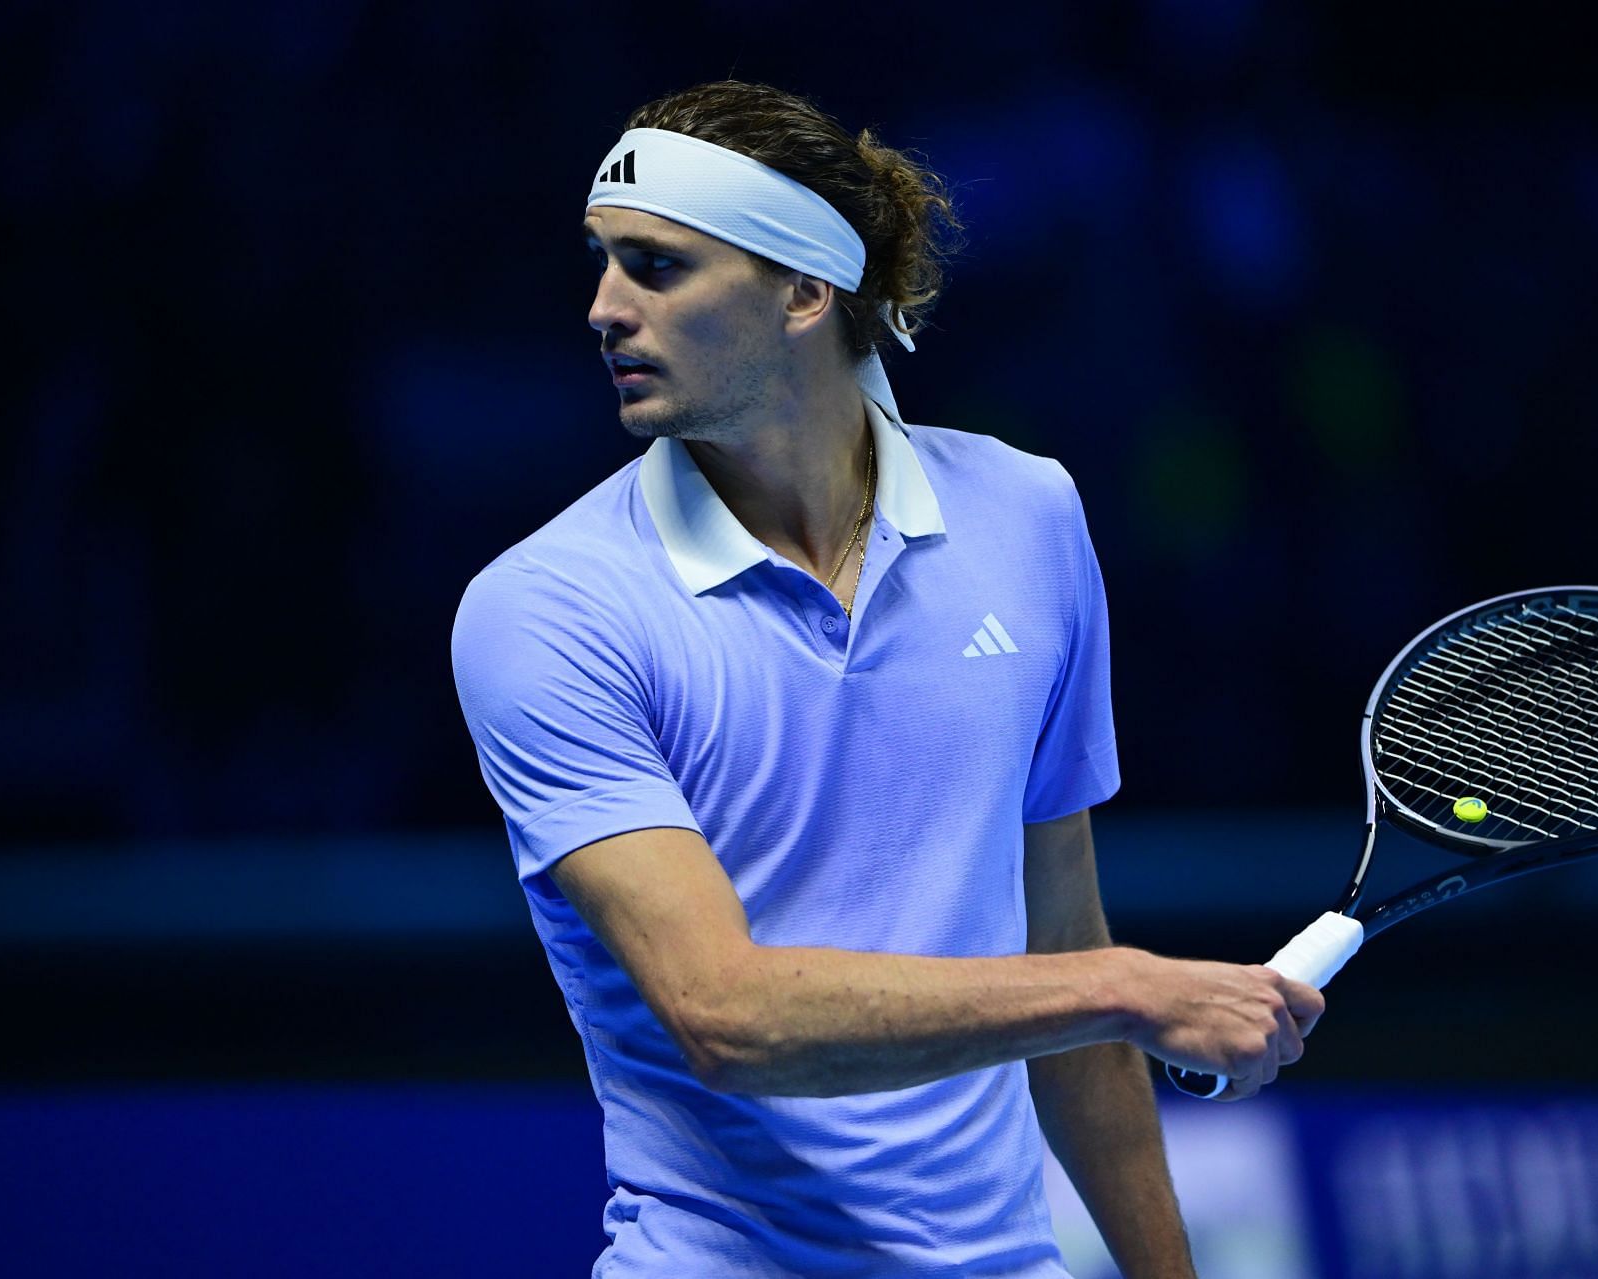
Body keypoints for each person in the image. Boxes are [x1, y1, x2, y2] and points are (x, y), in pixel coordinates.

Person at [449, 79, 1325, 1279]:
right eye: (602, 262)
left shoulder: (1029, 516)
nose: (602, 308)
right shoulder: (548, 610)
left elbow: (1059, 944)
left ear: (806, 291)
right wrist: (1122, 987)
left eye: (655, 268)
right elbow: (726, 1015)